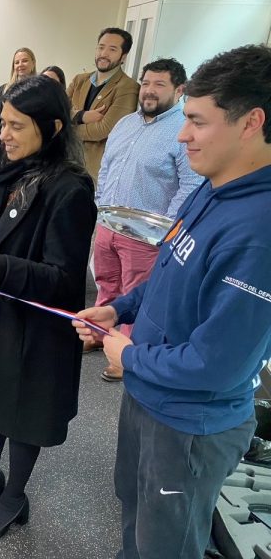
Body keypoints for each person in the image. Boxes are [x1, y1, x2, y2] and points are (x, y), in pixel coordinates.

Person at [73, 44, 271, 559]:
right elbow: (169, 270)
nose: (182, 135)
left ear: (251, 123)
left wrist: (128, 355)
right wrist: (122, 309)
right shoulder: (214, 185)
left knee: (168, 543)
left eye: (198, 122)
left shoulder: (259, 230)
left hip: (190, 425)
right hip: (151, 395)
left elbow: (218, 364)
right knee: (137, 518)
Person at [0, 75, 96, 539]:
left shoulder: (69, 189)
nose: (3, 135)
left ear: (52, 128)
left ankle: (15, 496)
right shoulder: (12, 170)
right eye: (2, 123)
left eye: (16, 126)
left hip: (36, 330)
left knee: (23, 413)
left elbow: (66, 280)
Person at [88, 58, 201, 380]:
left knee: (137, 295)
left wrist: (164, 231)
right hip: (108, 225)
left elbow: (190, 185)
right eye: (146, 83)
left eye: (159, 85)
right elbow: (106, 168)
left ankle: (126, 355)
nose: (149, 91)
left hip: (146, 235)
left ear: (179, 90)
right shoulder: (125, 124)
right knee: (106, 285)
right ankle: (97, 334)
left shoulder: (182, 130)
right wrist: (100, 208)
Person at [67, 27, 140, 183]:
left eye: (112, 49)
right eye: (101, 47)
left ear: (123, 57)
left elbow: (104, 129)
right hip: (65, 163)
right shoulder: (79, 80)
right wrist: (82, 116)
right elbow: (57, 113)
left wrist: (67, 128)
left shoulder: (128, 87)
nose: (104, 53)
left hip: (95, 173)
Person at [0, 47, 36, 143]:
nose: (20, 65)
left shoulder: (40, 90)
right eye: (17, 62)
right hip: (5, 142)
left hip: (30, 143)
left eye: (24, 61)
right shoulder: (3, 90)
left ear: (33, 63)